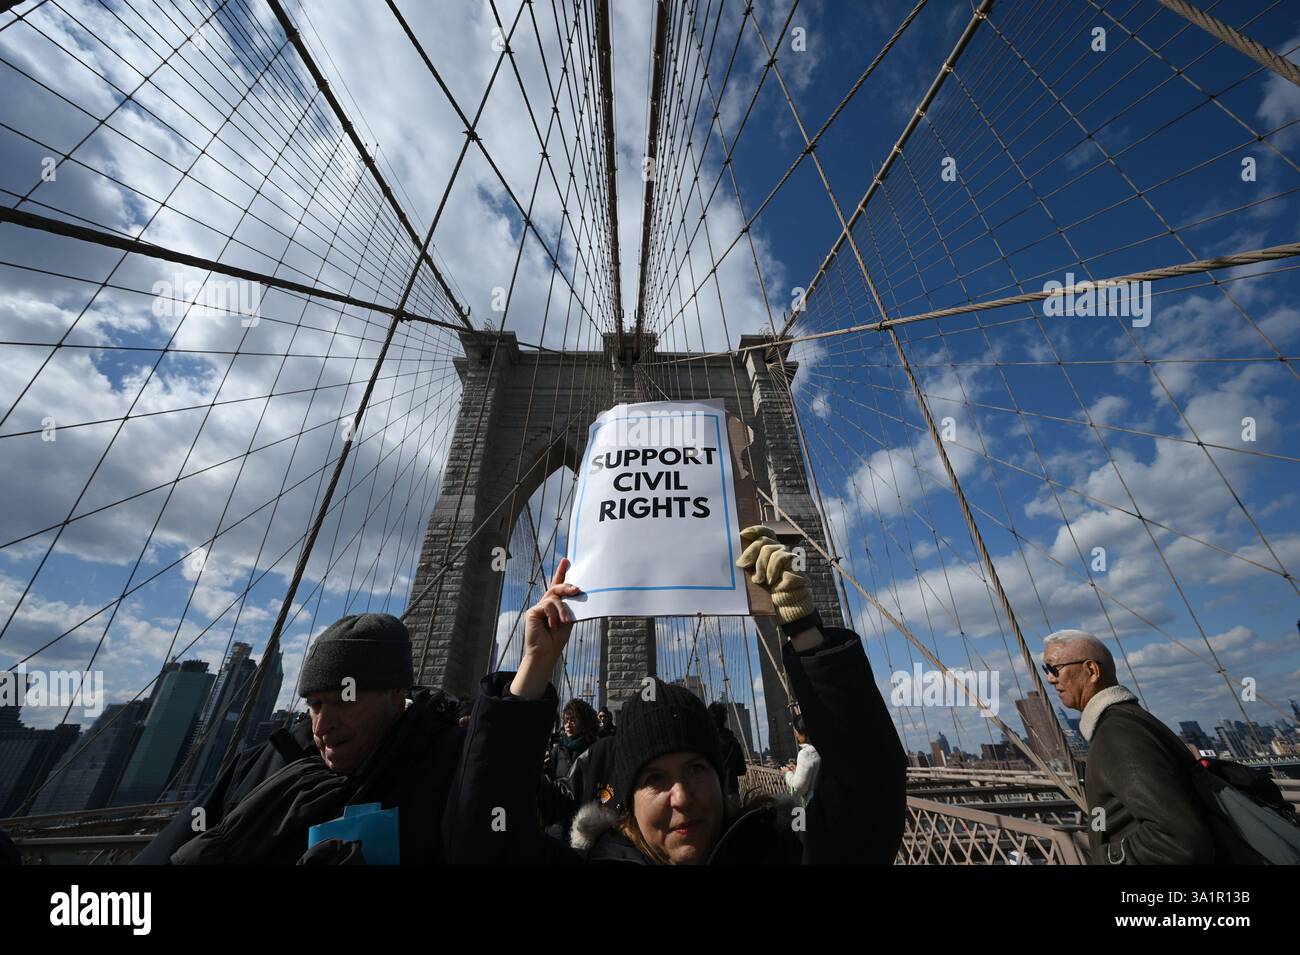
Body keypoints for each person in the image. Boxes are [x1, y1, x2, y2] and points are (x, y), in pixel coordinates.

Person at [445, 525, 907, 865]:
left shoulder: (781, 852)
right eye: (655, 779)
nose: (682, 795)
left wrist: (805, 629)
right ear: (624, 795)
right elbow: (482, 839)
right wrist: (534, 667)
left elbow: (869, 794)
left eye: (696, 768)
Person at [134, 614, 464, 865]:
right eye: (315, 704)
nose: (322, 726)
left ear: (397, 694)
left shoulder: (454, 771)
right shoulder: (262, 765)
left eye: (344, 700)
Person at [1044, 628, 1215, 864]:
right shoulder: (1122, 723)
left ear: (1091, 670)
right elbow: (1109, 813)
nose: (1050, 679)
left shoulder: (1118, 733)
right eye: (1046, 670)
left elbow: (1178, 839)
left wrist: (1106, 858)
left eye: (1054, 669)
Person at [708, 701, 748, 798]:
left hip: (711, 794)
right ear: (725, 719)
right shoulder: (734, 742)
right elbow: (742, 770)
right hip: (731, 793)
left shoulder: (705, 742)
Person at [784, 715, 821, 804]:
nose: (796, 734)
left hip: (815, 804)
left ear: (803, 733)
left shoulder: (805, 754)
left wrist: (787, 773)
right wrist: (797, 770)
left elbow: (799, 787)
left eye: (796, 731)